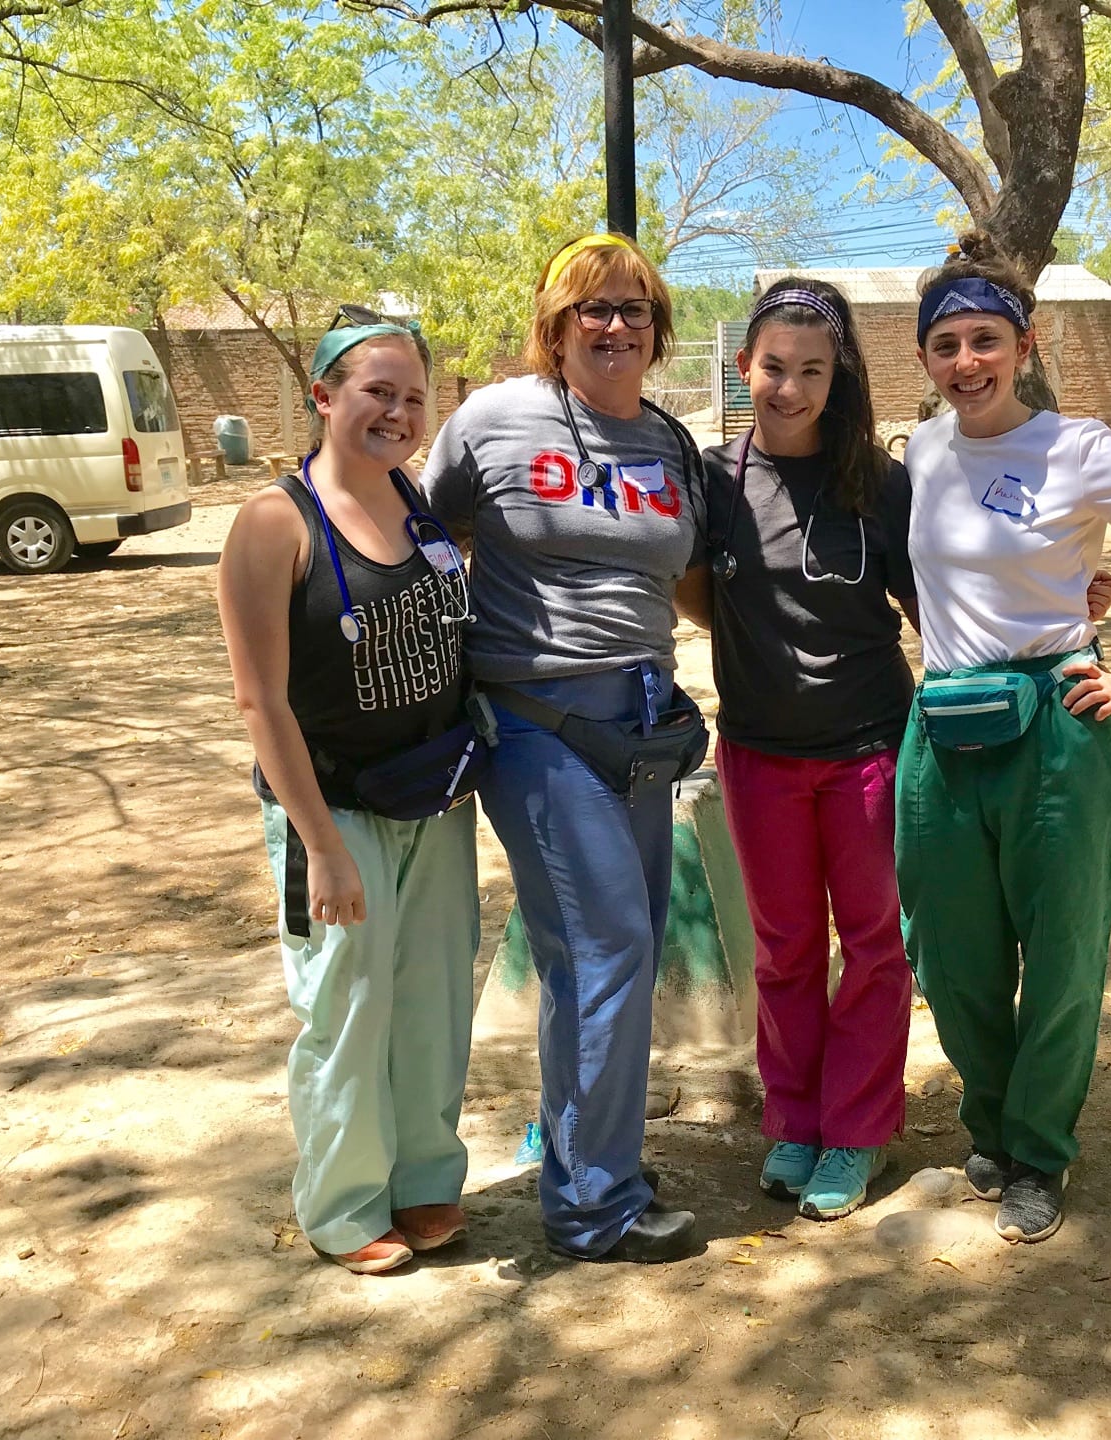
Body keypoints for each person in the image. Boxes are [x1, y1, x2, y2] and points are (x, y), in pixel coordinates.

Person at [688, 278, 1111, 1222]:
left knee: (880, 949)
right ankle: (794, 1123)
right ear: (743, 367)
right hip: (758, 751)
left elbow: (941, 597)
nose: (790, 388)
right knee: (785, 951)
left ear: (838, 376)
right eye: (773, 368)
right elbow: (695, 591)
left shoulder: (883, 479)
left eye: (812, 370)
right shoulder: (712, 479)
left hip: (874, 748)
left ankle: (857, 1132)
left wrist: (1063, 603)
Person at [896, 232, 1111, 1244]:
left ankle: (1037, 1152)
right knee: (952, 955)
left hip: (1059, 725)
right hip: (945, 723)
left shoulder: (1081, 448)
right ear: (924, 358)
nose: (966, 363)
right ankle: (992, 1115)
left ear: (1026, 344)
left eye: (985, 341)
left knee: (1059, 956)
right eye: (946, 345)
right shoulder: (921, 449)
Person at [422, 234, 709, 1265]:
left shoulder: (670, 445)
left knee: (595, 956)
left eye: (635, 308)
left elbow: (692, 581)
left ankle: (590, 1153)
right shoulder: (494, 420)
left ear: (658, 328)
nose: (616, 325)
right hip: (536, 723)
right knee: (606, 951)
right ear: (553, 326)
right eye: (593, 308)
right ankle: (595, 1204)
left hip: (641, 724)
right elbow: (420, 531)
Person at [217, 312, 485, 1275]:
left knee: (431, 998)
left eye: (415, 397)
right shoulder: (273, 525)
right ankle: (342, 1204)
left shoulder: (415, 504)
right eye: (378, 391)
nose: (399, 412)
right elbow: (261, 701)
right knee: (349, 1003)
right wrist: (319, 842)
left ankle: (421, 1177)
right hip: (332, 809)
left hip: (434, 804)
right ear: (324, 397)